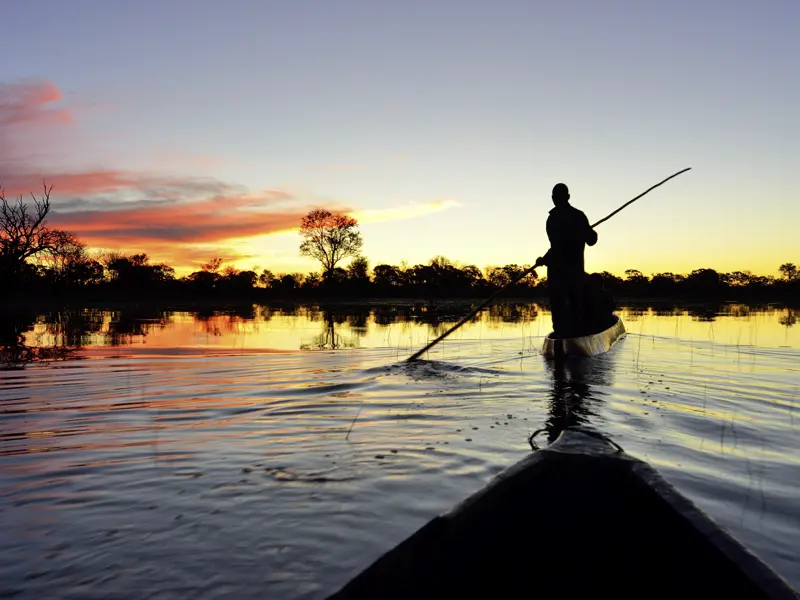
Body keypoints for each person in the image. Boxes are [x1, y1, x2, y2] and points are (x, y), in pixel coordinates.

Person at [534, 183, 597, 337]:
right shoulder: (575, 216)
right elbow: (591, 240)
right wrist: (545, 259)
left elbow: (589, 240)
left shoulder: (556, 218)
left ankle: (568, 336)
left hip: (567, 272)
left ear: (566, 197)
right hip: (567, 272)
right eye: (556, 197)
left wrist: (545, 259)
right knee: (564, 304)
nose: (557, 199)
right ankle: (567, 338)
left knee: (568, 304)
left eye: (558, 197)